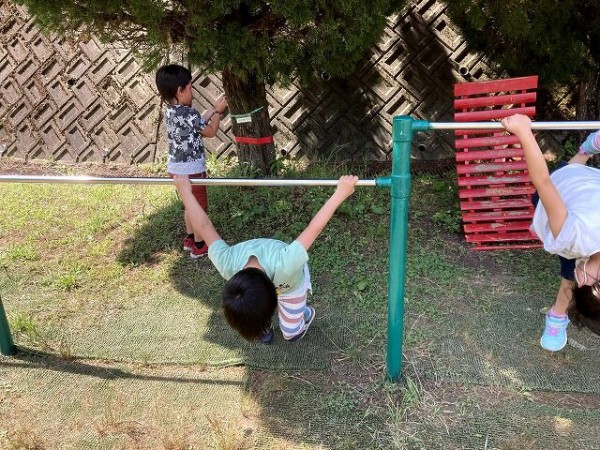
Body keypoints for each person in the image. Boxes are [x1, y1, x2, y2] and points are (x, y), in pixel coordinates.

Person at [173, 174, 359, 343]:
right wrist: (185, 192)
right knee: (250, 310)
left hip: (290, 284)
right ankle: (261, 317)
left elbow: (313, 229)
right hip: (266, 285)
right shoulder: (226, 264)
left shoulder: (286, 264)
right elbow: (203, 226)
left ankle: (305, 313)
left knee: (291, 334)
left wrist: (340, 193)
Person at [501, 114, 600, 352]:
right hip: (578, 182)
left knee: (567, 252)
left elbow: (542, 182)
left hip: (568, 191)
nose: (580, 279)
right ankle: (587, 149)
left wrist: (524, 133)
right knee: (569, 174)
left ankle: (557, 315)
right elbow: (547, 182)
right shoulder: (575, 242)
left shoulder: (572, 237)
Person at [155, 64, 228, 258]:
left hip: (176, 169)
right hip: (192, 169)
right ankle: (199, 244)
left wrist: (212, 110)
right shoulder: (190, 114)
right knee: (199, 207)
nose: (192, 92)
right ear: (179, 91)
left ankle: (189, 239)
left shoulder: (170, 111)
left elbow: (198, 123)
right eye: (189, 88)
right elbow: (210, 132)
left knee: (189, 203)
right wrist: (219, 113)